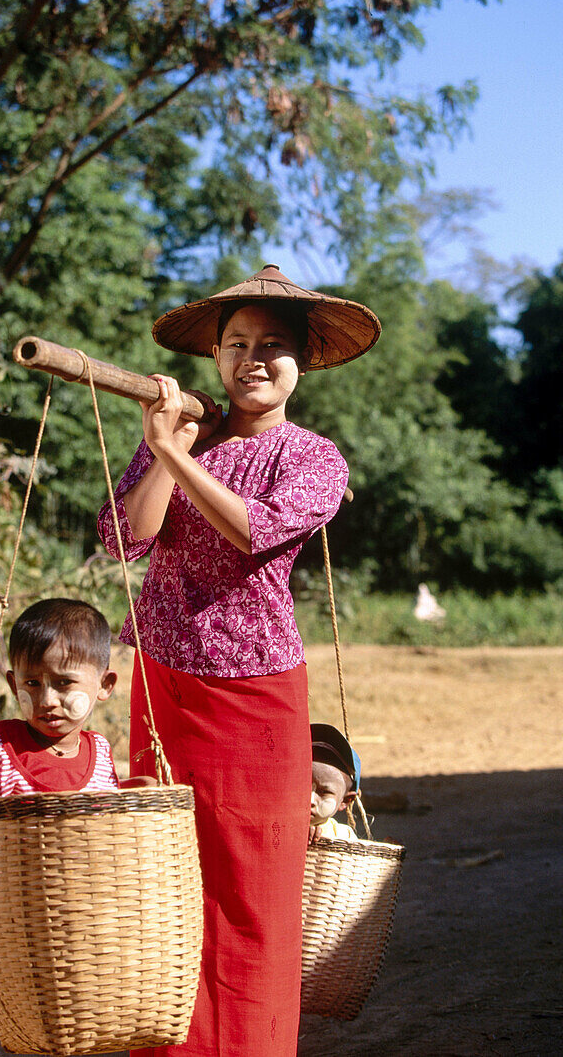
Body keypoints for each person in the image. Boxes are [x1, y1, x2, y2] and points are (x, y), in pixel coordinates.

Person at [97, 264, 380, 1056]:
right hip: (163, 681)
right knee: (167, 879)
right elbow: (123, 539)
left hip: (257, 696)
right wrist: (166, 449)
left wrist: (175, 455)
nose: (254, 360)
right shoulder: (182, 435)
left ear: (302, 363)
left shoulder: (316, 459)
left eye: (274, 347)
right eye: (238, 344)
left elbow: (252, 532)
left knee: (253, 889)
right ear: (216, 359)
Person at [0, 598, 150, 812]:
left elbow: (104, 804)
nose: (47, 701)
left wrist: (137, 788)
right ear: (14, 685)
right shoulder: (0, 744)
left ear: (104, 685)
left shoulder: (100, 751)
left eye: (64, 682)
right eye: (32, 683)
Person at [309, 722, 361, 843]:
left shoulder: (343, 835)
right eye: (302, 786)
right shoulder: (275, 825)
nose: (310, 800)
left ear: (345, 800)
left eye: (324, 792)